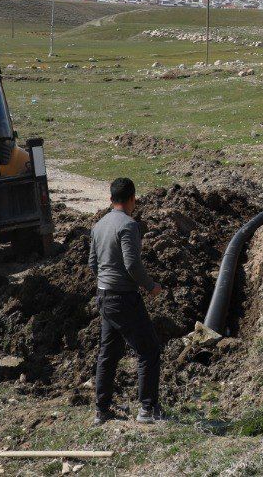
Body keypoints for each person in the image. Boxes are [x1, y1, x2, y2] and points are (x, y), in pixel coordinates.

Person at [88, 177, 164, 425]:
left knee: (108, 353)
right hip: (123, 298)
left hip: (104, 296)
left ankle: (102, 410)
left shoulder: (98, 226)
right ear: (132, 199)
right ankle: (147, 409)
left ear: (111, 199)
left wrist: (106, 282)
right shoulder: (129, 226)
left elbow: (92, 264)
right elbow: (132, 264)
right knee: (149, 350)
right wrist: (150, 286)